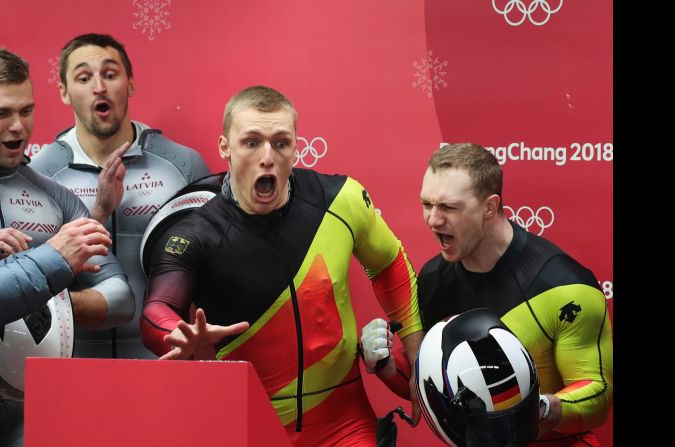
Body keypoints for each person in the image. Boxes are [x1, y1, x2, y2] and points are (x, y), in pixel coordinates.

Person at [139, 85, 424, 447]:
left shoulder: (341, 199)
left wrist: (415, 353)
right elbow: (156, 309)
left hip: (345, 423)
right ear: (225, 147)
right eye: (251, 142)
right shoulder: (196, 233)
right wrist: (175, 333)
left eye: (280, 143)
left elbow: (390, 263)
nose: (267, 157)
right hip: (250, 424)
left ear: (295, 147)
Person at [0, 50, 135, 447]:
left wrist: (46, 300)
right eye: (1, 113)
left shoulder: (56, 197)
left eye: (27, 111)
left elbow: (121, 300)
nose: (18, 127)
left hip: (36, 397)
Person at [364, 143, 613, 445]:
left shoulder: (565, 285)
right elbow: (431, 382)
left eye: (448, 207)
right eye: (427, 205)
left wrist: (539, 409)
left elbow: (598, 393)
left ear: (490, 207)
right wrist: (384, 363)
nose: (432, 220)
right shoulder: (431, 279)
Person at [30, 33, 211, 359]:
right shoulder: (40, 173)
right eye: (83, 78)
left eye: (110, 74)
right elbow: (31, 278)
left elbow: (211, 269)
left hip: (162, 361)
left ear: (130, 83)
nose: (99, 86)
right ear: (64, 92)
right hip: (72, 366)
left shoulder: (183, 164)